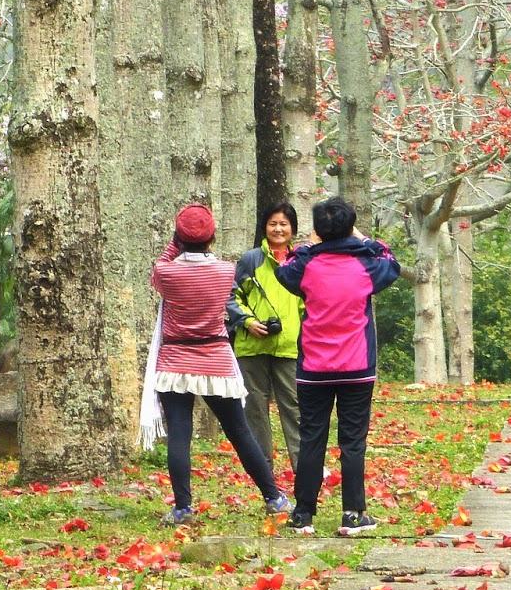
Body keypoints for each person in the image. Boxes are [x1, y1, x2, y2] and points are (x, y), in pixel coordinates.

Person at [140, 203, 292, 526]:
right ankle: (273, 496)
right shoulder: (225, 271)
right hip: (216, 360)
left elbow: (161, 266)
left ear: (179, 239)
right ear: (212, 239)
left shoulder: (167, 273)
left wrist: (177, 240)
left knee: (180, 433)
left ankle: (183, 507)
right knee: (239, 429)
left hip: (175, 361)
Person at [273, 197, 400, 536]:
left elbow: (283, 268)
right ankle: (354, 514)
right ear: (350, 226)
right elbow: (392, 261)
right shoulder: (368, 267)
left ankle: (303, 514)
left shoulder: (306, 266)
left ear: (318, 230)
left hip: (314, 368)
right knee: (353, 440)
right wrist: (364, 239)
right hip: (357, 367)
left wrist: (309, 245)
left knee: (312, 437)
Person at [226, 202, 305, 473]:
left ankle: (303, 467)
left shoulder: (301, 261)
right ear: (264, 227)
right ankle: (262, 471)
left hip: (290, 347)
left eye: (284, 223)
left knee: (294, 409)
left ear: (293, 228)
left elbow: (310, 301)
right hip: (252, 346)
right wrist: (247, 321)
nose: (278, 229)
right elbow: (231, 295)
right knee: (255, 410)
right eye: (273, 223)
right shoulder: (251, 260)